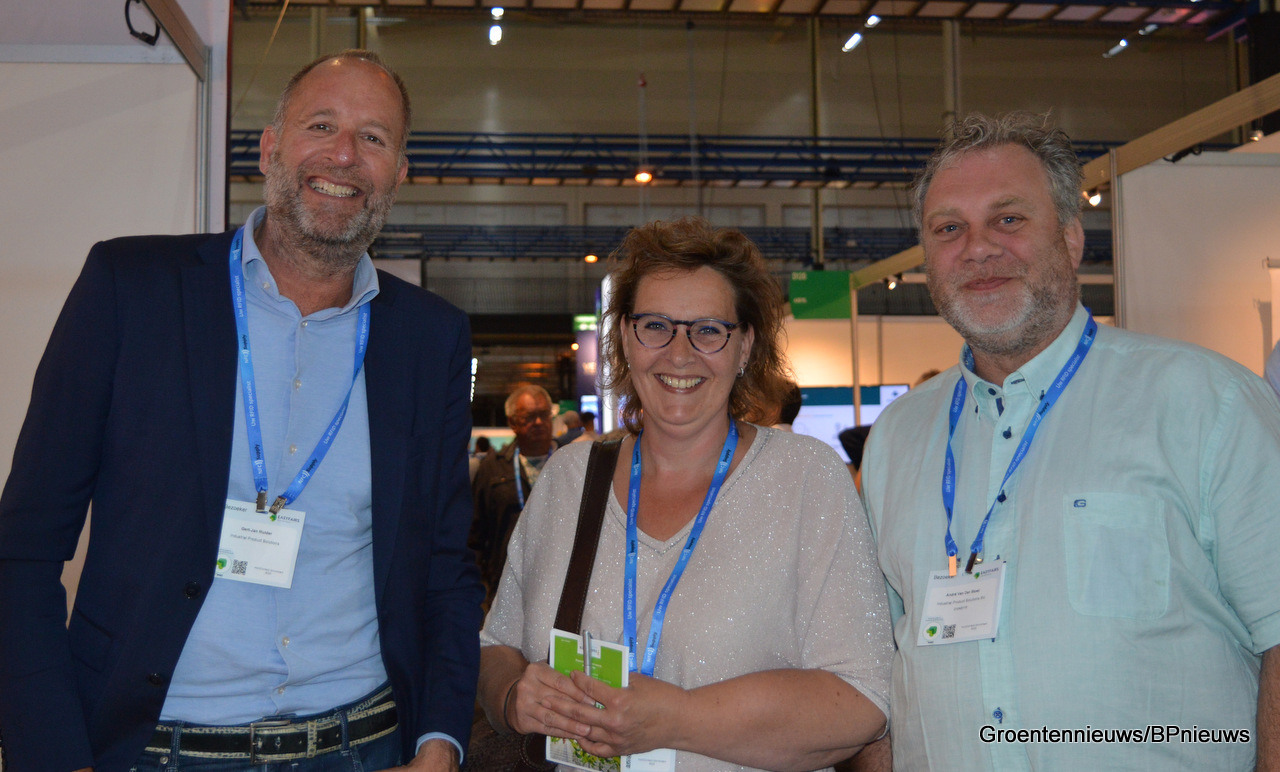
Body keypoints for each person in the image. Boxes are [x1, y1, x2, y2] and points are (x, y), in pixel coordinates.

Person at [0, 50, 483, 772]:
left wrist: (439, 742)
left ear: (399, 173)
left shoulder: (430, 337)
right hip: (153, 751)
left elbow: (446, 566)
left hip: (362, 746)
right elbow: (24, 547)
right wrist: (53, 754)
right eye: (321, 125)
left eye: (374, 137)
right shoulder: (132, 289)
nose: (344, 155)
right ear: (269, 148)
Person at [860, 111, 1280, 770]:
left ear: (1072, 238)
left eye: (1008, 219)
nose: (978, 249)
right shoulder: (898, 436)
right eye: (949, 228)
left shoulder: (1205, 403)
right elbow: (876, 664)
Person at [476, 217, 892, 771]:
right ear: (626, 338)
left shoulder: (805, 479)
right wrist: (513, 696)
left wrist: (675, 717)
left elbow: (862, 699)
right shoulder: (568, 479)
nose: (679, 353)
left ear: (744, 346)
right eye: (656, 326)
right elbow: (496, 646)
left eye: (708, 330)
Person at [470, 384, 557, 607]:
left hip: (561, 585)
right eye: (529, 417)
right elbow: (475, 535)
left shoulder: (569, 463)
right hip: (506, 587)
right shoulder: (492, 468)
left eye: (543, 414)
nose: (538, 422)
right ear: (512, 423)